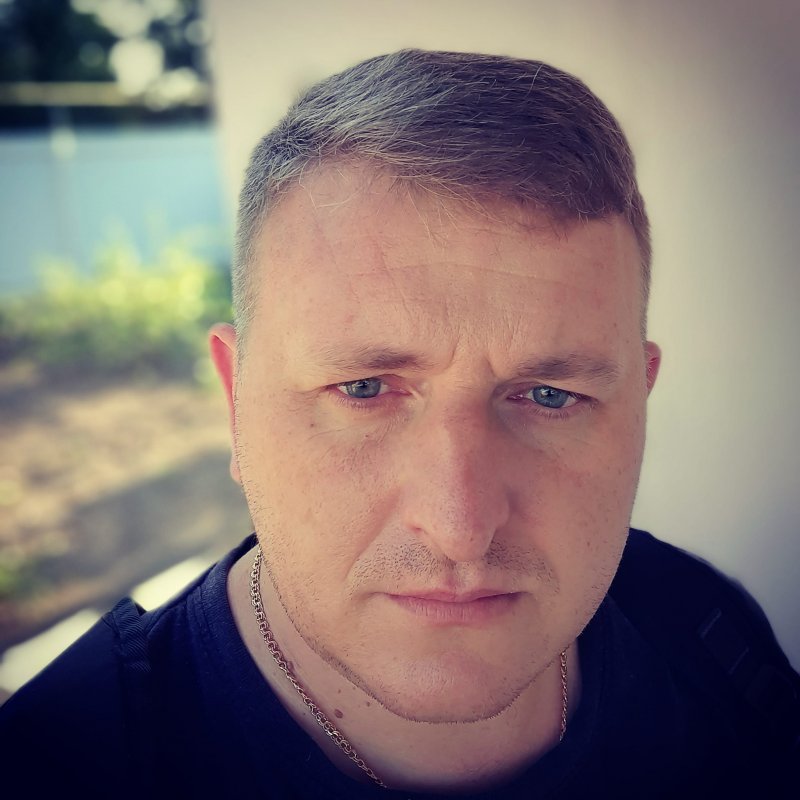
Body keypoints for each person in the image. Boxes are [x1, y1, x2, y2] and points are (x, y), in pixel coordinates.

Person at [1, 49, 797, 798]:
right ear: (236, 400)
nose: (460, 528)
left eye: (550, 395)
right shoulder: (55, 764)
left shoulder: (705, 631)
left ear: (639, 404)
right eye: (364, 387)